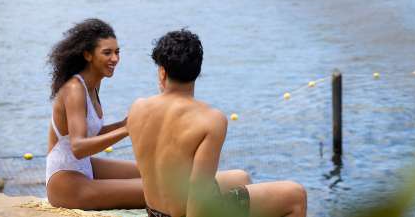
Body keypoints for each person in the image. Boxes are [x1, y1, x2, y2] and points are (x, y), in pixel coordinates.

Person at [127, 29, 308, 217]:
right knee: (295, 194)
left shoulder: (138, 108)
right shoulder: (210, 120)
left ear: (162, 72)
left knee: (240, 177)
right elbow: (199, 196)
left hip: (156, 213)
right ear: (197, 71)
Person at [45, 18, 145, 209]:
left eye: (117, 52)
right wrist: (126, 130)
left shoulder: (93, 85)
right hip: (65, 182)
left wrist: (124, 123)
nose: (115, 58)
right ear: (88, 55)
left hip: (84, 167)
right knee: (158, 189)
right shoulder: (75, 89)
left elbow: (92, 134)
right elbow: (79, 147)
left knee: (153, 172)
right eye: (107, 53)